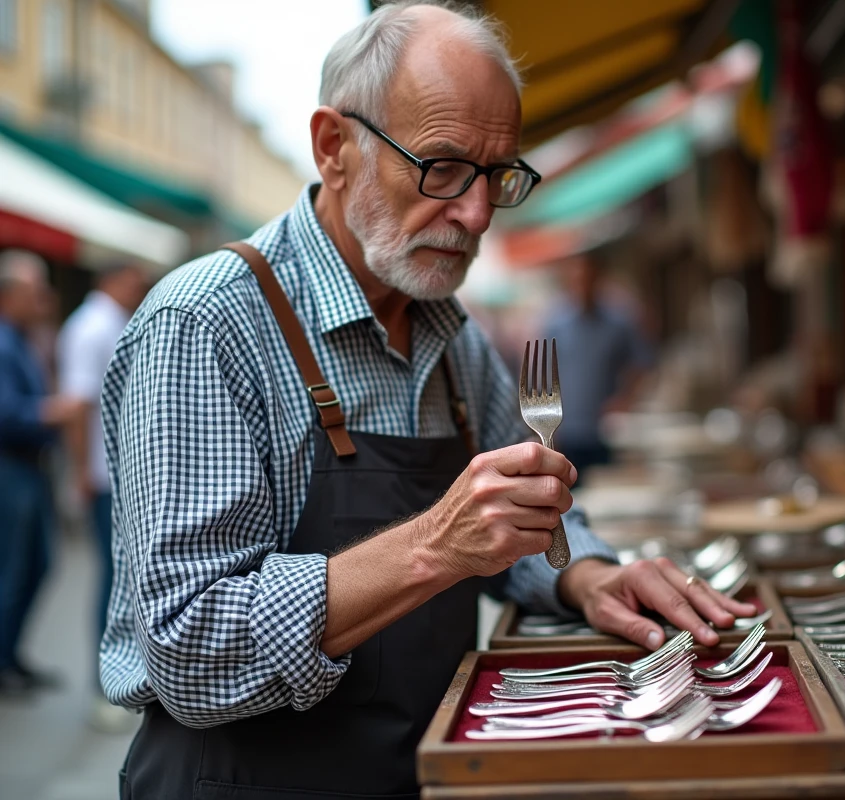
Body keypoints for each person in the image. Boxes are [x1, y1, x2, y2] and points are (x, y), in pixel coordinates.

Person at [102, 3, 754, 797]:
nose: (476, 213)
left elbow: (523, 516)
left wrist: (584, 576)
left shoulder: (452, 337)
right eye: (441, 167)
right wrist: (434, 547)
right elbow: (187, 649)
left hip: (418, 770)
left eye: (496, 175)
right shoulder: (204, 324)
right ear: (333, 147)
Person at [56, 263, 147, 729]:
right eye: (133, 280)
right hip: (101, 476)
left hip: (112, 473)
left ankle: (116, 684)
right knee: (114, 580)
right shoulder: (91, 328)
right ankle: (104, 689)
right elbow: (75, 405)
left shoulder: (110, 322)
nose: (138, 287)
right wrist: (79, 473)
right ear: (110, 281)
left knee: (123, 578)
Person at [0, 249, 84, 696]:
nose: (44, 299)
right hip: (12, 470)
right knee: (14, 570)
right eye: (34, 291)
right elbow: (8, 413)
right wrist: (56, 412)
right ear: (8, 294)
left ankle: (11, 655)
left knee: (35, 566)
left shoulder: (22, 338)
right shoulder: (4, 342)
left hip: (29, 470)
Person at [540, 253, 653, 478]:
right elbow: (544, 375)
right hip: (566, 429)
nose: (582, 284)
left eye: (587, 277)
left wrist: (625, 399)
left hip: (605, 430)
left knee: (605, 488)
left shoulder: (619, 323)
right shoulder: (555, 325)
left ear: (598, 279)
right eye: (577, 278)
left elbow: (642, 364)